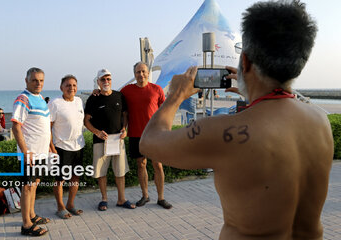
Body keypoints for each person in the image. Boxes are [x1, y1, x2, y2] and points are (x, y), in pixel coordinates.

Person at [140, 1, 333, 239]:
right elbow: (277, 112)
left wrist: (176, 96)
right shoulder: (320, 122)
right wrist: (254, 93)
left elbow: (149, 142)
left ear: (246, 61)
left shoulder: (223, 131)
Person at [121, 62, 172, 209]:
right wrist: (97, 92)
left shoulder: (157, 89)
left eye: (143, 71)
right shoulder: (127, 90)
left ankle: (161, 198)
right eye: (138, 72)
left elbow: (165, 111)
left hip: (154, 134)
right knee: (141, 164)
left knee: (158, 165)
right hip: (136, 134)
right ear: (134, 74)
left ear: (148, 73)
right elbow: (114, 98)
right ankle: (145, 196)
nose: (141, 74)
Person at [85, 69, 135, 211]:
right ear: (98, 82)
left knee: (120, 171)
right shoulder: (93, 99)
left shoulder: (119, 96)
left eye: (108, 79)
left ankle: (121, 199)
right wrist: (96, 132)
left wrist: (125, 129)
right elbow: (86, 121)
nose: (106, 82)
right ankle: (104, 199)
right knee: (101, 172)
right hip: (100, 141)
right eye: (103, 80)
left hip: (117, 140)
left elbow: (125, 115)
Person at [11, 67, 50, 236]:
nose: (38, 83)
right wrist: (26, 152)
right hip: (30, 153)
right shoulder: (23, 99)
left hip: (41, 152)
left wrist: (49, 146)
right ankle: (26, 225)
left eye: (41, 80)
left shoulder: (40, 98)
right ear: (26, 81)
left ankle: (32, 216)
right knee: (27, 187)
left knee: (35, 184)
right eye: (34, 80)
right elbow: (16, 127)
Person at [49, 75, 85, 219]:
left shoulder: (79, 101)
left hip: (79, 145)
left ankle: (70, 204)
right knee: (60, 180)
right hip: (62, 147)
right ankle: (60, 207)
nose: (71, 88)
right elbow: (48, 127)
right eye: (68, 85)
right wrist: (51, 146)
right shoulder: (55, 103)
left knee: (75, 177)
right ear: (61, 87)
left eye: (74, 85)